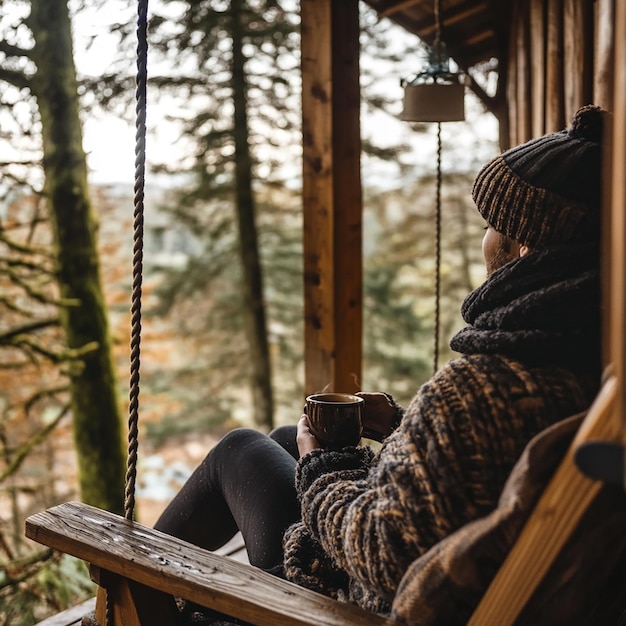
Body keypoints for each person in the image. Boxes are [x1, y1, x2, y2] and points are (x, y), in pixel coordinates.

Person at [154, 104, 606, 622]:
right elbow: (467, 470)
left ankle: (133, 595)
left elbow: (382, 551)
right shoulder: (580, 359)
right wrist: (399, 425)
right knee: (283, 437)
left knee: (240, 449)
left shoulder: (481, 389)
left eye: (491, 224)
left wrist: (324, 467)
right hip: (439, 577)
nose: (484, 239)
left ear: (525, 246)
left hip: (341, 605)